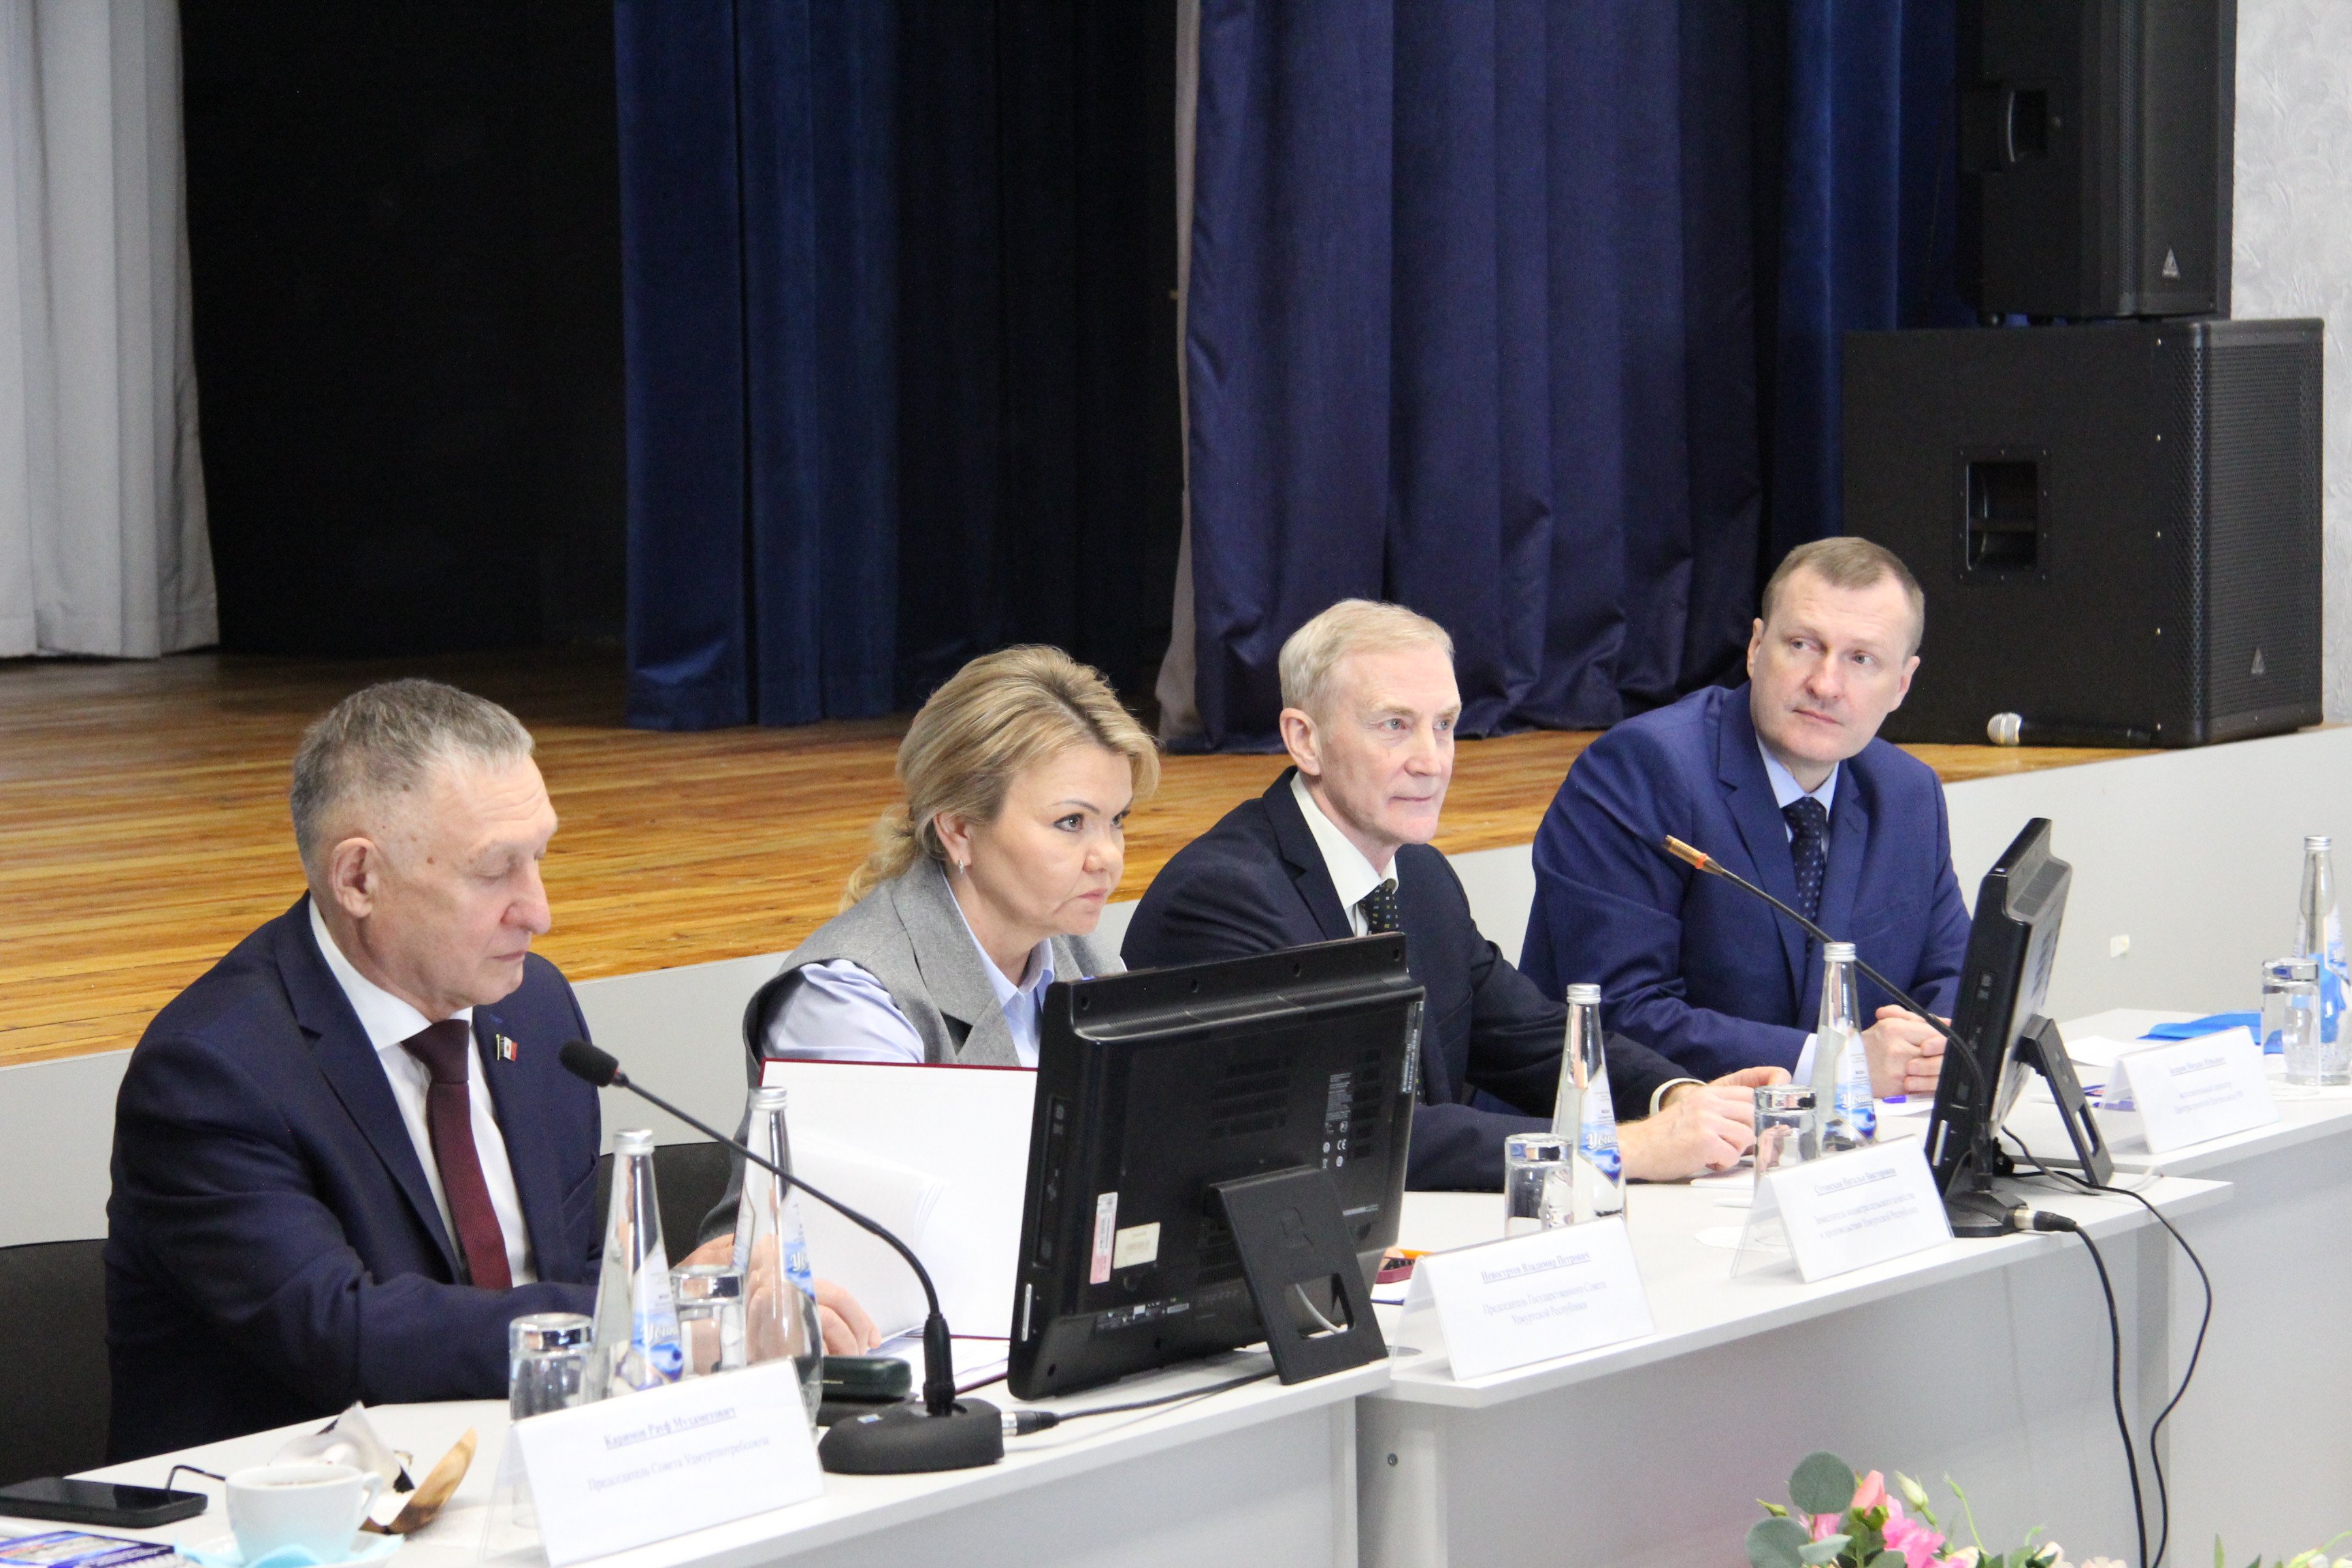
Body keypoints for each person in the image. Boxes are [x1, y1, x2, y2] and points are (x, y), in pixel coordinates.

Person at [103, 679, 874, 1460]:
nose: (539, 911)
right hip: (297, 1501)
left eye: (539, 858)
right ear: (360, 880)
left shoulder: (534, 1010)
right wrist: (650, 1320)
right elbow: (344, 1336)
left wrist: (678, 1301)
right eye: (494, 871)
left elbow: (567, 1276)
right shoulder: (213, 1072)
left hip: (540, 1472)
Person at [1122, 601, 1785, 1192]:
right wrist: (1622, 1148)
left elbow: (1533, 1039)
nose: (1432, 760)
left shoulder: (1421, 876)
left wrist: (1678, 1097)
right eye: (1394, 725)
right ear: (1305, 739)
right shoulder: (1221, 899)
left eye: (1443, 725)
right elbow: (1348, 1133)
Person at [1522, 536, 1972, 1093]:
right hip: (1621, 1127)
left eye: (1862, 659)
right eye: (1803, 645)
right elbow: (1616, 1012)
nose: (1825, 685)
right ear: (1757, 648)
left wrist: (1940, 1046)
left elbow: (1952, 975)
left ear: (1901, 684)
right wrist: (1836, 1064)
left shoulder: (1907, 793)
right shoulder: (1643, 769)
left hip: (1835, 1137)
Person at [742, 644, 1158, 1075]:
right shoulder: (847, 1005)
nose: (1109, 857)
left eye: (1117, 820)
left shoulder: (1091, 962)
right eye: (1071, 822)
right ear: (959, 830)